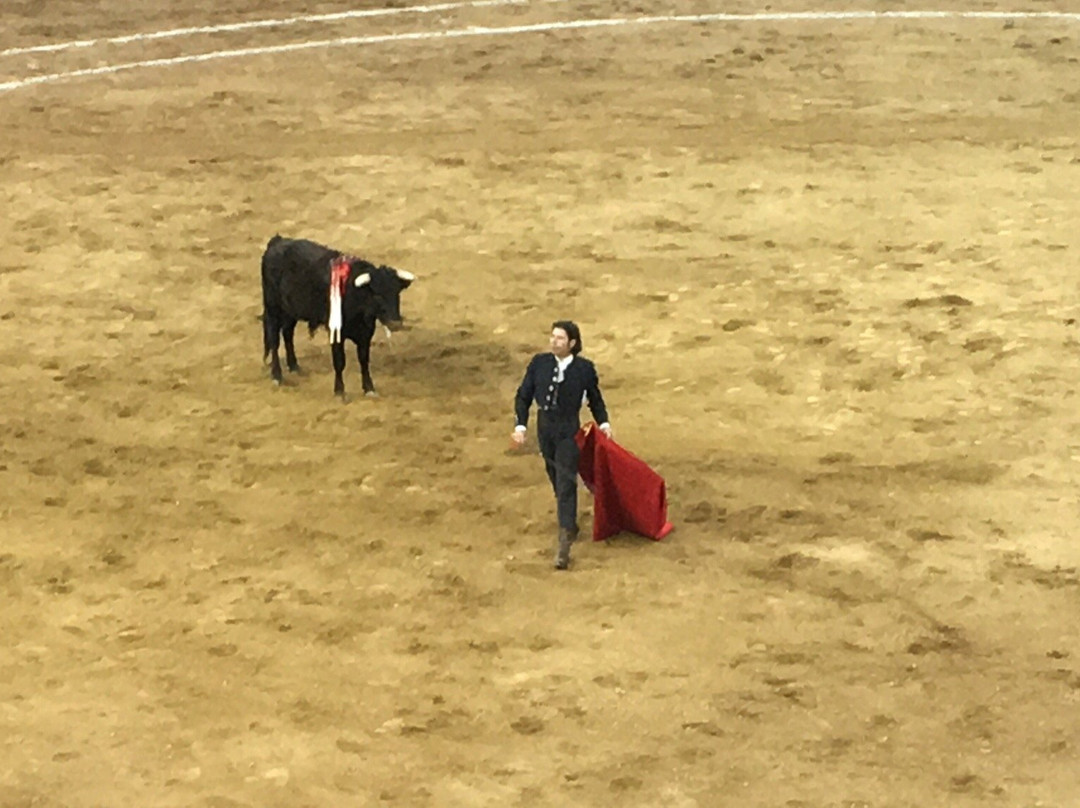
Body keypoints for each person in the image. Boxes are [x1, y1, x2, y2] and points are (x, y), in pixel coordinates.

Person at [512, 321, 612, 570]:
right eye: (553, 336)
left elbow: (595, 398)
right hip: (544, 427)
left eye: (560, 338)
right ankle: (569, 520)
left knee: (566, 479)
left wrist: (604, 423)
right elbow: (524, 395)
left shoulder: (584, 369)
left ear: (572, 344)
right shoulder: (539, 363)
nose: (554, 341)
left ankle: (565, 538)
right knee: (555, 474)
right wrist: (521, 426)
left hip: (569, 429)